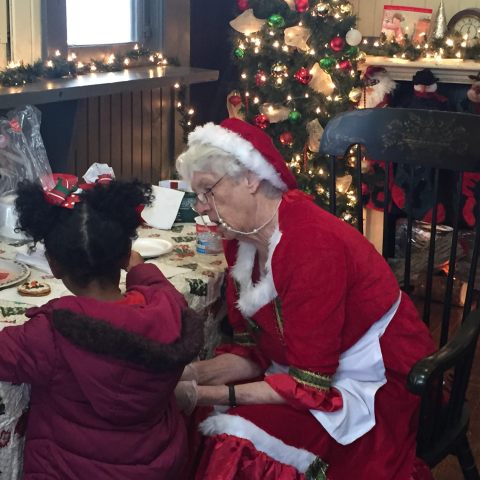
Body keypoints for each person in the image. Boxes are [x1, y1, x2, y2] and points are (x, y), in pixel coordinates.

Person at [174, 118, 436, 480]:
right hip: (301, 371)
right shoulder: (242, 243)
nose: (201, 207)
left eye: (208, 191)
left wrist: (203, 394)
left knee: (234, 438)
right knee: (193, 413)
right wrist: (188, 374)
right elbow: (255, 354)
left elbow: (310, 386)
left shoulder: (311, 244)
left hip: (369, 384)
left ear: (250, 178)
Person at [0, 176, 203, 479]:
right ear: (125, 255)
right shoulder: (166, 311)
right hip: (160, 466)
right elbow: (165, 292)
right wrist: (139, 267)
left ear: (54, 266)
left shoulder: (52, 333)